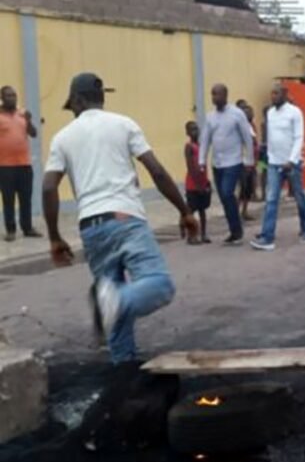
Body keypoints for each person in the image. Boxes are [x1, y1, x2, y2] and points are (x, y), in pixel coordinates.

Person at [42, 72, 197, 363]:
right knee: (159, 285)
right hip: (126, 218)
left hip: (91, 227)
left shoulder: (62, 137)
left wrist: (54, 237)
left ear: (77, 99)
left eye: (71, 105)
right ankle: (117, 300)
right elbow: (158, 171)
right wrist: (184, 210)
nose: (72, 110)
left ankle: (123, 373)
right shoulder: (124, 125)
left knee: (116, 314)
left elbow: (49, 185)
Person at [251, 83, 305, 251]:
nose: (273, 96)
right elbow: (271, 138)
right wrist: (268, 158)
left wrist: (292, 160)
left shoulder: (295, 112)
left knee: (299, 196)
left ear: (285, 94)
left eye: (276, 93)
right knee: (271, 199)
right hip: (274, 163)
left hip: (292, 164)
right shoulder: (270, 113)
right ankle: (267, 236)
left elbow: (298, 137)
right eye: (271, 94)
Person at [199, 84, 255, 245]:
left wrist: (249, 160)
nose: (214, 98)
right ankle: (234, 230)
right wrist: (202, 161)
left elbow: (247, 138)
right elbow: (205, 140)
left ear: (225, 95)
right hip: (217, 163)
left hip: (234, 161)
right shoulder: (210, 117)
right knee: (224, 196)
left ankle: (236, 230)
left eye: (216, 94)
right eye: (212, 94)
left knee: (226, 192)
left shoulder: (237, 114)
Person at [0, 85, 41, 241]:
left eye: (14, 95)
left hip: (24, 164)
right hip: (5, 167)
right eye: (9, 96)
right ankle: (11, 230)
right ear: (2, 98)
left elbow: (34, 134)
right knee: (8, 199)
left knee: (26, 198)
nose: (13, 98)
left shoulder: (22, 114)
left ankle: (28, 228)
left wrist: (29, 120)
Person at [183, 121, 211, 244]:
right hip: (193, 183)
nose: (195, 132)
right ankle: (191, 235)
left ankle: (204, 234)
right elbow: (190, 167)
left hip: (203, 181)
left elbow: (204, 165)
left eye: (197, 129)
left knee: (202, 209)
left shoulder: (201, 145)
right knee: (191, 210)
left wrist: (206, 182)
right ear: (187, 133)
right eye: (192, 129)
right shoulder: (189, 147)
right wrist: (198, 184)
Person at [235, 100, 259, 222]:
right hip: (243, 162)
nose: (251, 114)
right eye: (247, 113)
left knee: (249, 189)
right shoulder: (240, 127)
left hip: (252, 162)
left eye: (251, 112)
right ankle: (235, 212)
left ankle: (244, 211)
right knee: (242, 189)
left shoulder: (252, 126)